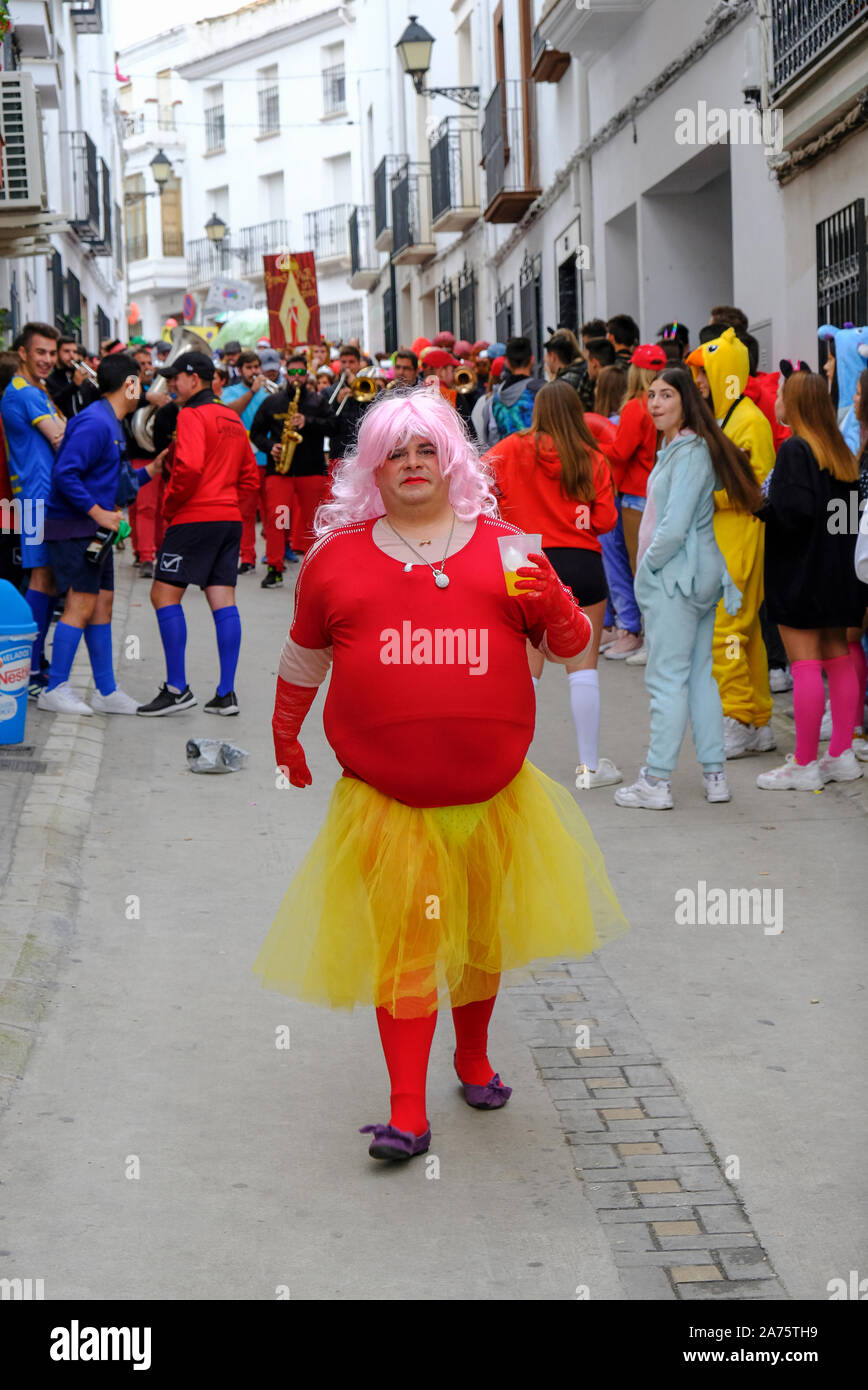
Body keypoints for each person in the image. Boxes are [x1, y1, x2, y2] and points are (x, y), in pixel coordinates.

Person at [253, 389, 628, 1162]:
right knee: (408, 947)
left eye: (427, 450)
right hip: (387, 804)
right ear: (373, 470)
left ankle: (473, 1057)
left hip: (496, 797)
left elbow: (569, 645)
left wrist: (556, 599)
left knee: (480, 937)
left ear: (451, 461)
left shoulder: (510, 547)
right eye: (397, 452)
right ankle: (406, 1112)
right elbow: (303, 661)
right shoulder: (334, 559)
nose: (414, 463)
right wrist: (285, 737)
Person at [615, 368, 762, 810]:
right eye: (651, 396)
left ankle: (657, 781)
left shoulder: (688, 451)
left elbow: (673, 528)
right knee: (698, 678)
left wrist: (645, 571)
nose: (655, 403)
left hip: (676, 581)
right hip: (696, 579)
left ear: (686, 402)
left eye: (665, 395)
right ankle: (714, 776)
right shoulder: (686, 448)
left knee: (667, 682)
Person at [484, 380, 621, 788]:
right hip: (581, 560)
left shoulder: (510, 448)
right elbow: (605, 521)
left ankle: (507, 764)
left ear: (537, 410)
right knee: (582, 665)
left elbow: (475, 483)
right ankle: (589, 768)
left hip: (523, 555)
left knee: (527, 664)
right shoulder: (591, 456)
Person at [755, 370, 868, 790]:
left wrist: (760, 505)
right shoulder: (842, 452)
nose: (776, 399)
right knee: (837, 656)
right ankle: (840, 754)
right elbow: (845, 520)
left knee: (804, 663)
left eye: (781, 393)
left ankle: (803, 763)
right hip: (840, 577)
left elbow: (792, 515)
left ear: (796, 403)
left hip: (801, 576)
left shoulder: (796, 451)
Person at [36, 355, 164, 715]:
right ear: (129, 384)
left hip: (94, 531)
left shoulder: (110, 421)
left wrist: (152, 469)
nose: (143, 387)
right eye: (140, 380)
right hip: (76, 529)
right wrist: (98, 514)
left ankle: (106, 691)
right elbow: (66, 475)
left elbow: (115, 483)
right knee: (81, 605)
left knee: (102, 605)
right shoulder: (96, 422)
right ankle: (56, 687)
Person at [136, 351, 260, 718]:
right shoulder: (233, 419)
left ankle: (177, 688)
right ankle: (226, 693)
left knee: (162, 594)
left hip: (193, 517)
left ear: (194, 377)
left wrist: (172, 506)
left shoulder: (190, 414)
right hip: (228, 519)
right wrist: (226, 503)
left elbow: (187, 468)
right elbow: (251, 478)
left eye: (176, 377)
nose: (172, 383)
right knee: (223, 599)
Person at [686, 328, 776, 758]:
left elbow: (755, 488)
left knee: (728, 631)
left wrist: (702, 494)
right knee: (747, 632)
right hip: (728, 536)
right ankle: (757, 718)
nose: (698, 382)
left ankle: (737, 716)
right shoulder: (731, 418)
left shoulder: (748, 422)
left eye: (704, 373)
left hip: (740, 536)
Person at [1, 322, 67, 695]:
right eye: (40, 352)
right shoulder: (23, 394)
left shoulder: (36, 390)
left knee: (47, 581)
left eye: (51, 353)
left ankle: (33, 666)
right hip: (34, 500)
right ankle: (28, 669)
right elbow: (61, 437)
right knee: (42, 580)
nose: (47, 359)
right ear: (23, 353)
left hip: (42, 499)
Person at [603, 343, 664, 659]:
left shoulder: (635, 406)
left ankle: (648, 641)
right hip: (662, 490)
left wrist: (598, 446)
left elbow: (620, 452)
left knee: (640, 570)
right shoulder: (668, 402)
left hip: (637, 495)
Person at [250, 351, 329, 587]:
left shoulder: (317, 401)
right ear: (286, 374)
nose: (296, 377)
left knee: (311, 522)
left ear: (306, 374)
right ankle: (275, 567)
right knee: (278, 520)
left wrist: (309, 422)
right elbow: (255, 432)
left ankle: (316, 569)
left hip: (311, 470)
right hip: (281, 472)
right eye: (292, 372)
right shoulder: (272, 402)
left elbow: (334, 426)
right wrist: (269, 446)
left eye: (301, 373)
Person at [221, 351, 270, 573]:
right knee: (246, 513)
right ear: (240, 370)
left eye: (256, 367)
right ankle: (247, 556)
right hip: (243, 461)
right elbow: (230, 413)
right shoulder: (229, 392)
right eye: (249, 368)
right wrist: (252, 391)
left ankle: (277, 551)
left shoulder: (270, 391)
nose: (254, 371)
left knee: (277, 510)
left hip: (269, 459)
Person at [471, 336, 544, 448]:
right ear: (532, 360)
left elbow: (491, 438)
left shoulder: (493, 401)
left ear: (507, 363)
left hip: (508, 461)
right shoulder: (542, 392)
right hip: (539, 460)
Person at [543, 331, 595, 413]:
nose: (545, 359)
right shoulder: (586, 370)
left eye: (547, 355)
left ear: (553, 357)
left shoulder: (560, 387)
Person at [46, 337, 91, 419]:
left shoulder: (81, 377)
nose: (72, 356)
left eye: (75, 352)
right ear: (57, 353)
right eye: (66, 351)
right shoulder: (50, 380)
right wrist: (74, 385)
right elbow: (53, 402)